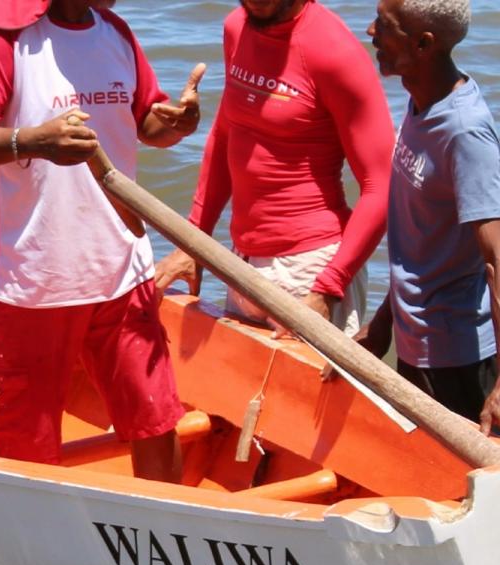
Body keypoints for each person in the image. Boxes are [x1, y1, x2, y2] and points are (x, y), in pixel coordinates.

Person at [0, 0, 204, 481]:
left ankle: (163, 532)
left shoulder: (114, 32)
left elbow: (146, 123)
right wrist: (33, 142)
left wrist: (176, 124)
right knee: (29, 453)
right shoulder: (3, 38)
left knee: (157, 422)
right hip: (32, 283)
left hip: (124, 271)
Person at [155, 0, 394, 338]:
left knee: (304, 391)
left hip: (310, 271)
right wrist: (193, 242)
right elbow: (226, 134)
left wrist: (329, 287)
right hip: (243, 262)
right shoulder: (237, 27)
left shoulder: (334, 51)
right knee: (237, 387)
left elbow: (381, 184)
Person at [358, 0, 500, 432]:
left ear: (424, 44)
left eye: (385, 26)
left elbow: (496, 261)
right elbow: (420, 243)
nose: (370, 32)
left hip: (458, 358)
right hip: (416, 343)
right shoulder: (421, 104)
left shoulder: (464, 133)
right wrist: (382, 326)